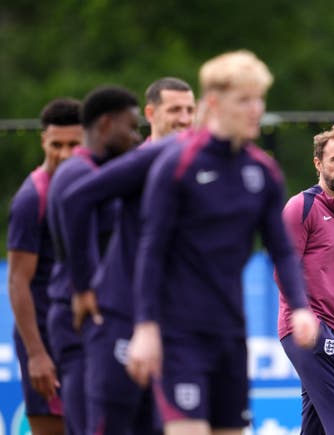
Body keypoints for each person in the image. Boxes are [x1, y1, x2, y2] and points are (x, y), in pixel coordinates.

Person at [125, 50, 318, 435]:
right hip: (178, 335)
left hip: (231, 333)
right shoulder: (176, 163)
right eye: (244, 100)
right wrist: (145, 326)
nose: (255, 110)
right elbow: (152, 248)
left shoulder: (262, 170)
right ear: (213, 103)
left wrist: (300, 306)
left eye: (259, 100)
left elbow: (280, 247)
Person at [58, 77, 195, 435]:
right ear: (152, 113)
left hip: (165, 323)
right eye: (174, 110)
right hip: (116, 317)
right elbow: (77, 204)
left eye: (190, 110)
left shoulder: (195, 165)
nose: (184, 118)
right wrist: (85, 286)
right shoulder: (135, 162)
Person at [46, 85, 141, 435]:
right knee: (91, 423)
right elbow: (77, 238)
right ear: (104, 125)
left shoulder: (98, 171)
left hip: (99, 313)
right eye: (130, 127)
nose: (134, 137)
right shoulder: (79, 174)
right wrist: (85, 287)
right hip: (80, 314)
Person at [276, 124, 334, 434]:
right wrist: (307, 321)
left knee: (315, 427)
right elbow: (284, 270)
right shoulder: (302, 207)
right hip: (307, 330)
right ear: (318, 163)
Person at [7, 98, 82, 435]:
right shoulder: (32, 198)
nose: (65, 154)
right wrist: (36, 354)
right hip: (45, 342)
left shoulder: (91, 185)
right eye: (57, 145)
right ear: (43, 142)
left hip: (82, 340)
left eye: (74, 144)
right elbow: (17, 281)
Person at [143, 77, 195, 142]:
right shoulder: (137, 152)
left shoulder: (204, 151)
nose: (185, 120)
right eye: (175, 110)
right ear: (150, 114)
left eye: (190, 110)